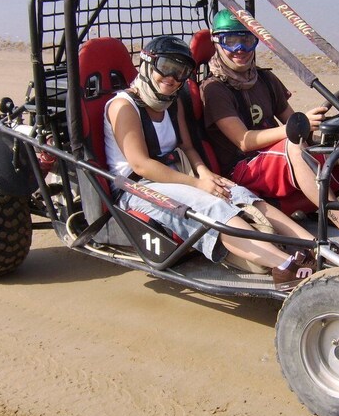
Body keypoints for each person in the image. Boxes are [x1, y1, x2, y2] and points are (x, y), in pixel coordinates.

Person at [104, 35, 316, 289]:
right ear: (148, 63)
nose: (172, 79)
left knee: (239, 193)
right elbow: (140, 165)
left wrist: (205, 175)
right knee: (210, 206)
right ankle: (285, 266)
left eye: (181, 72)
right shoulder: (123, 106)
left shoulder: (171, 102)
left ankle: (313, 247)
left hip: (176, 175)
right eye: (167, 68)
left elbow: (187, 146)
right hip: (135, 187)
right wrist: (197, 184)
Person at [200, 10, 339, 249]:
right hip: (242, 168)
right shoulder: (214, 89)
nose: (240, 49)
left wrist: (330, 130)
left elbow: (295, 123)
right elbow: (244, 141)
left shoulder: (265, 80)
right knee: (295, 145)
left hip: (276, 159)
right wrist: (294, 128)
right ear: (217, 42)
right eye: (231, 41)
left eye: (247, 41)